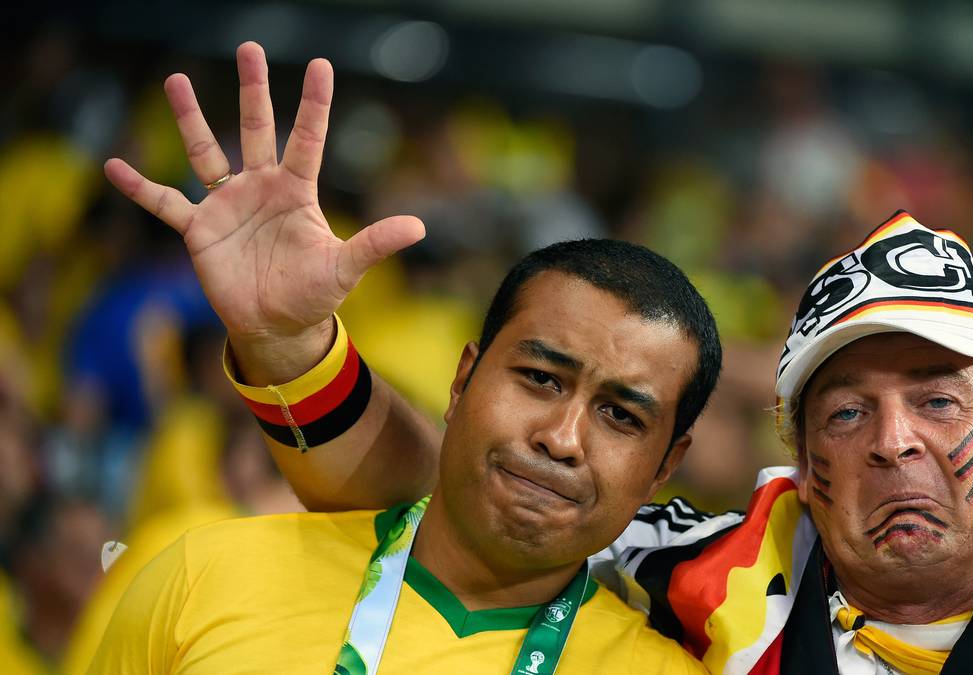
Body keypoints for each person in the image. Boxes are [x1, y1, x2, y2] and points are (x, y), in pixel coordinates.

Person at [273, 212, 973, 673]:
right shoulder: (709, 566)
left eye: (938, 400)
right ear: (804, 464)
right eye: (846, 413)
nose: (893, 442)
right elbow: (459, 493)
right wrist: (288, 347)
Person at [91, 43, 714, 673]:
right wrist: (282, 339)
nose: (562, 437)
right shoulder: (206, 574)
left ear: (665, 465)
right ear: (462, 379)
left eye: (622, 416)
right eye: (540, 378)